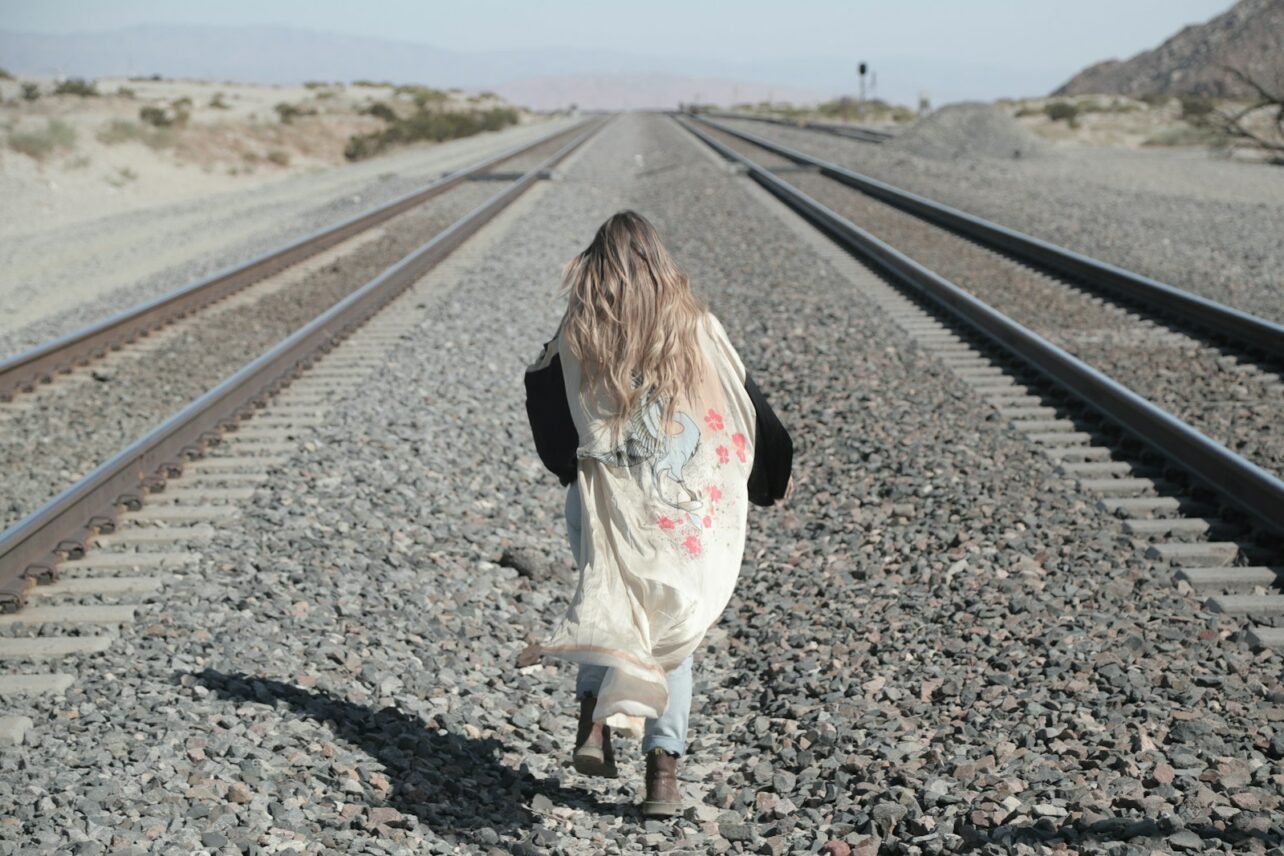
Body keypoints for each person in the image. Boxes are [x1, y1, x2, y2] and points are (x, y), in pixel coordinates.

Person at [521, 210, 793, 817]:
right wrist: (770, 478)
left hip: (600, 501)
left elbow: (544, 410)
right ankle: (662, 778)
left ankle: (594, 716)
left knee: (609, 606)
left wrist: (574, 472)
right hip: (681, 510)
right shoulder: (698, 330)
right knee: (673, 636)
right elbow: (750, 407)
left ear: (594, 271)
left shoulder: (576, 333)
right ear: (660, 266)